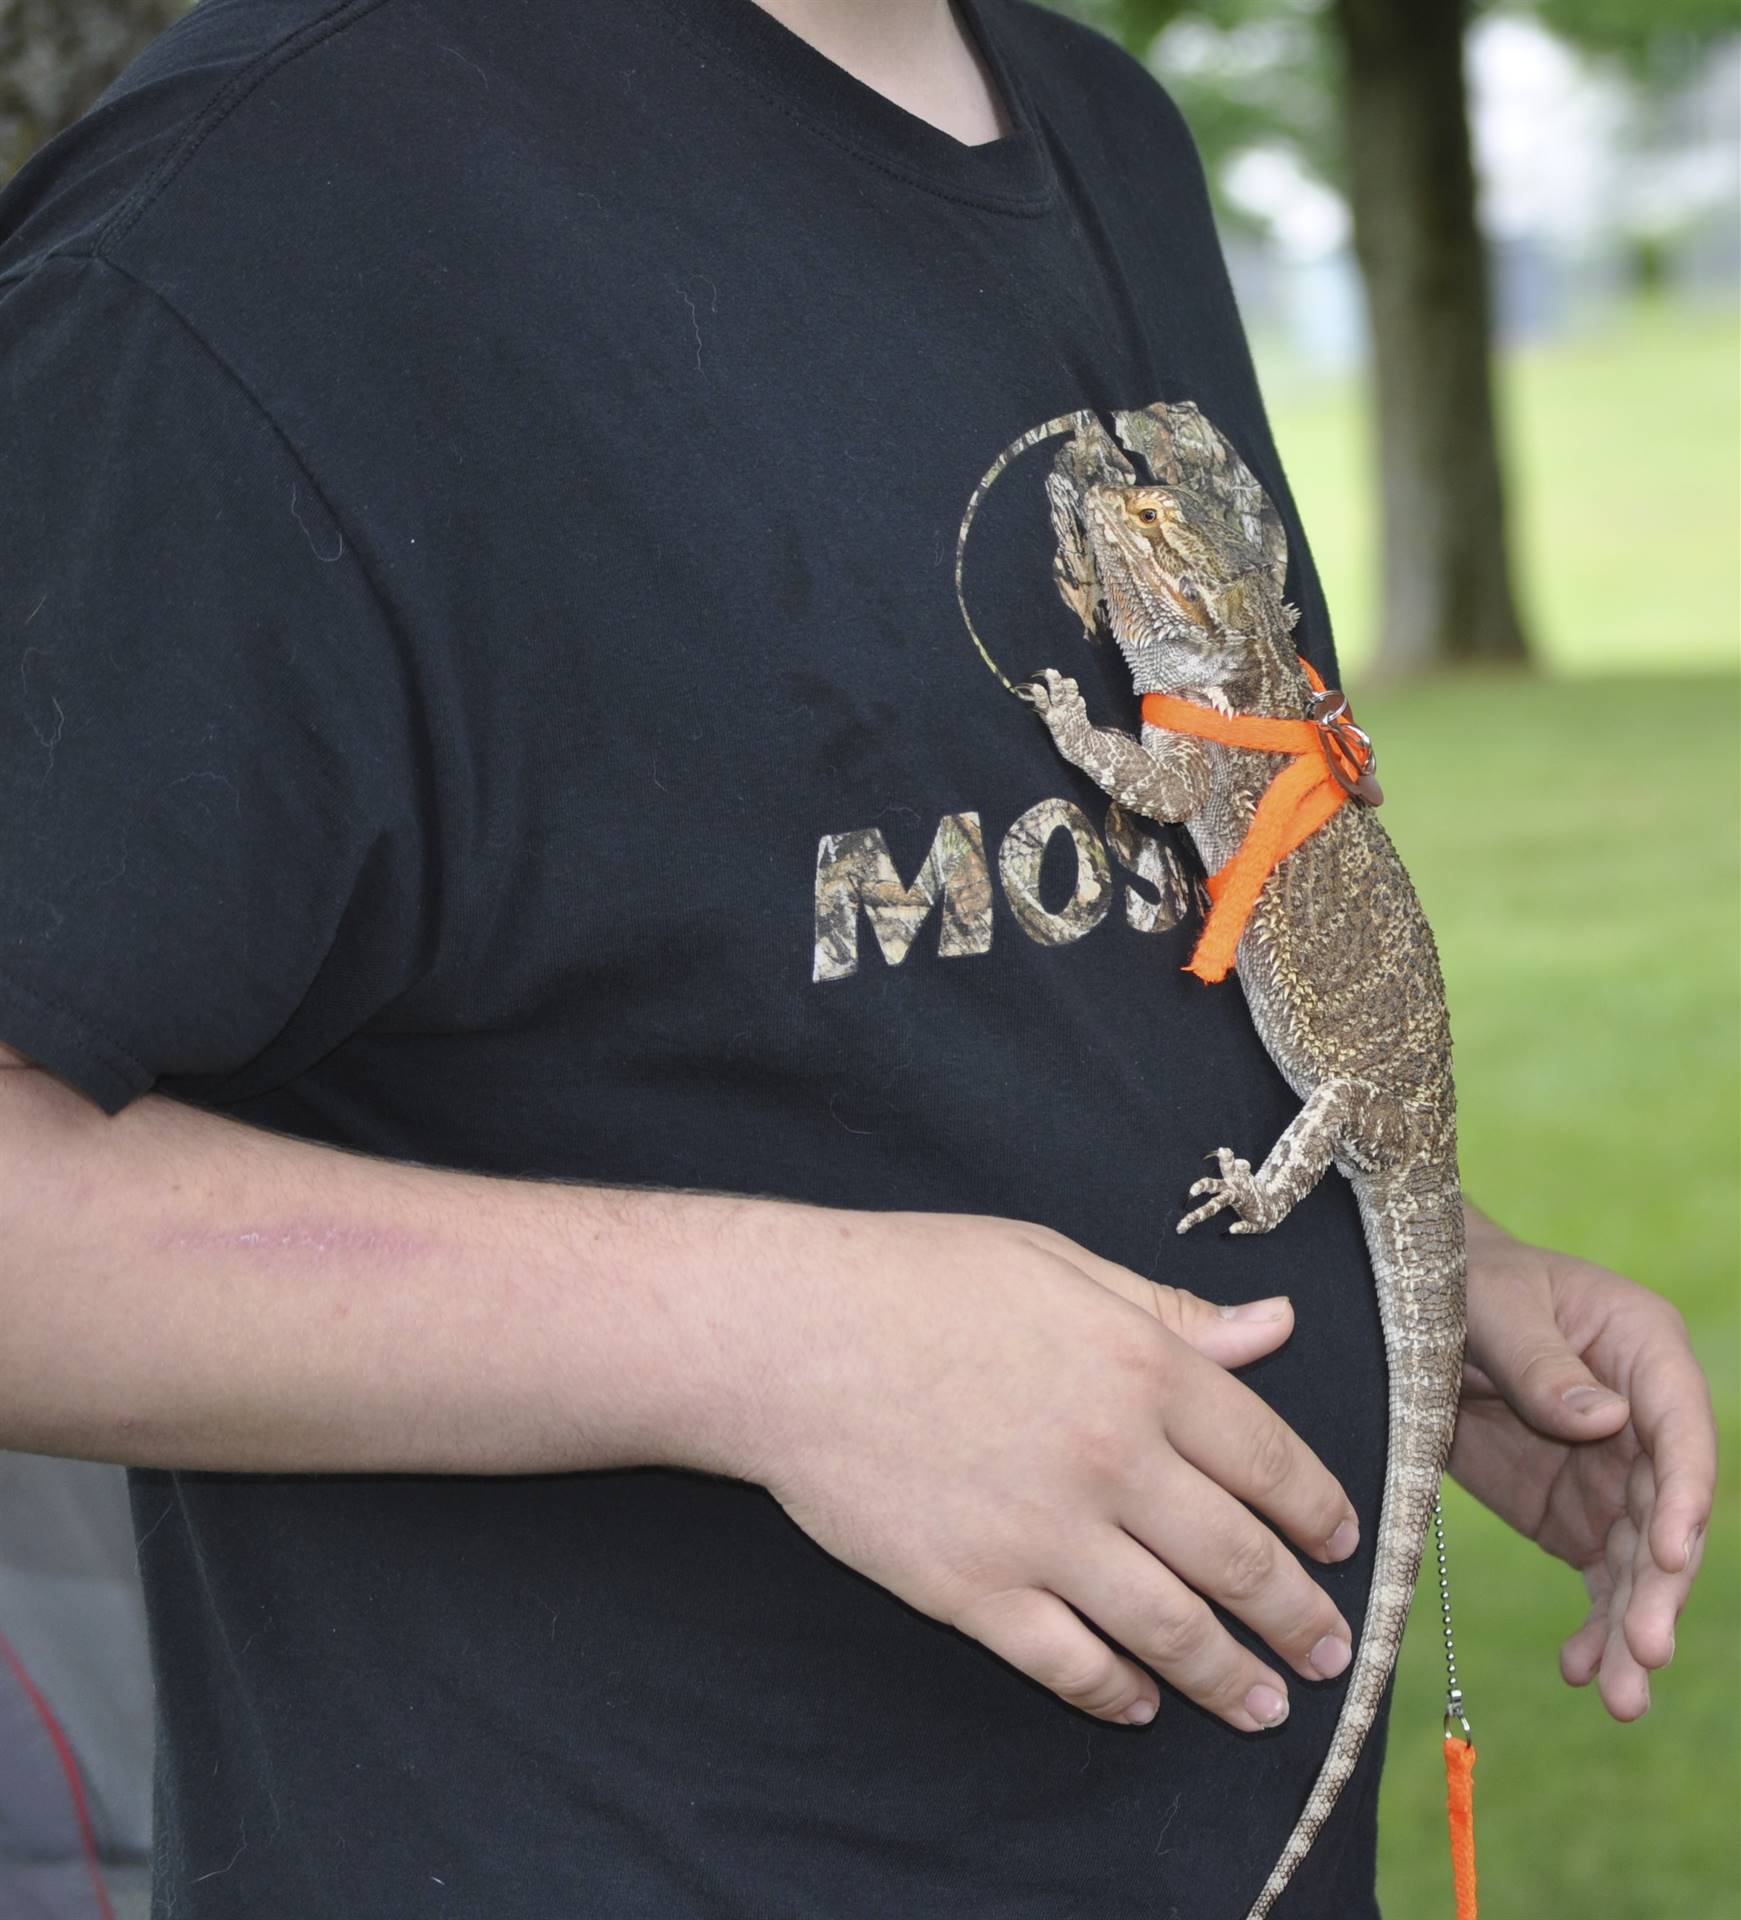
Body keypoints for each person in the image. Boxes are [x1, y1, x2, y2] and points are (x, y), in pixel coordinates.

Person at [0, 1, 1713, 1915]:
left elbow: (1028, 890)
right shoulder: (256, 210)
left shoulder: (1099, 123)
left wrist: (1419, 1240)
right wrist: (764, 1339)